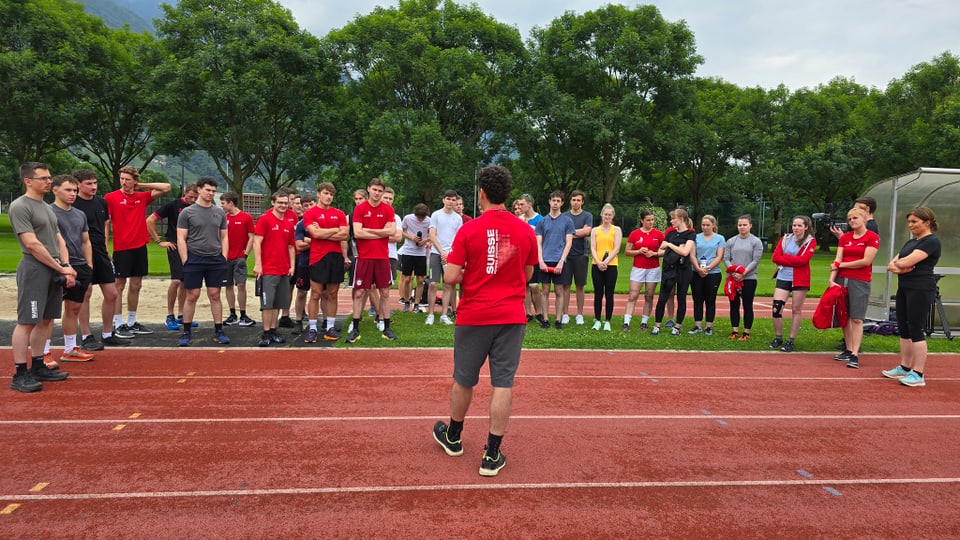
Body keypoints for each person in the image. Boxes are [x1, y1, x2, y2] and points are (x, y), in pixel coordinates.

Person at [431, 165, 537, 477]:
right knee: (502, 384)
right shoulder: (525, 231)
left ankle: (453, 436)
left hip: (475, 315)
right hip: (510, 317)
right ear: (509, 196)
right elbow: (528, 274)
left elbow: (449, 277)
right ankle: (491, 454)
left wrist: (474, 272)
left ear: (481, 194)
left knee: (464, 378)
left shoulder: (469, 229)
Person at [9, 162, 73, 392]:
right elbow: (31, 244)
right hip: (35, 269)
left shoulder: (46, 207)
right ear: (28, 181)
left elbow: (59, 239)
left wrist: (65, 265)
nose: (49, 181)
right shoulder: (20, 207)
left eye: (49, 177)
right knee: (27, 321)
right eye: (43, 178)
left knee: (46, 319)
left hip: (53, 268)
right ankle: (19, 373)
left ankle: (38, 365)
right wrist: (60, 268)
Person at [104, 165, 170, 336]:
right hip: (122, 247)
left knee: (137, 285)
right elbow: (106, 223)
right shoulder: (111, 197)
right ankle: (118, 324)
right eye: (122, 179)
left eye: (127, 179)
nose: (124, 182)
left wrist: (141, 187)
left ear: (134, 181)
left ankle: (132, 322)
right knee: (119, 285)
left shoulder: (141, 197)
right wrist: (105, 246)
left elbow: (166, 187)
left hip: (140, 246)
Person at [883, 207, 941, 387]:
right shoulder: (911, 243)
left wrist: (900, 264)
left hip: (921, 290)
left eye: (914, 222)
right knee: (904, 328)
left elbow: (904, 262)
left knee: (916, 328)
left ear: (927, 222)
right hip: (905, 288)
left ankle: (918, 373)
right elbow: (891, 265)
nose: (910, 225)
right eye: (909, 222)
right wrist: (900, 266)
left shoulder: (931, 242)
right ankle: (905, 367)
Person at [72, 169, 130, 349]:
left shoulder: (101, 203)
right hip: (81, 252)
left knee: (112, 293)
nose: (93, 187)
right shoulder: (74, 204)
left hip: (100, 251)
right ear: (78, 184)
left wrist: (106, 249)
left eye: (95, 183)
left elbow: (105, 226)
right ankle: (87, 336)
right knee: (85, 294)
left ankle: (107, 333)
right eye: (88, 183)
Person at [176, 177, 230, 347]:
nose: (211, 193)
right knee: (192, 295)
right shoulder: (187, 212)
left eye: (213, 191)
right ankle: (186, 331)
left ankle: (219, 330)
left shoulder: (219, 212)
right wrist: (186, 260)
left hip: (215, 259)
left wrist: (224, 256)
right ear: (199, 190)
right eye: (208, 190)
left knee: (215, 295)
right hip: (194, 258)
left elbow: (224, 236)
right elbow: (181, 238)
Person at [50, 175, 96, 363]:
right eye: (68, 190)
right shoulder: (48, 212)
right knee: (49, 313)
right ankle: (43, 353)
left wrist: (89, 265)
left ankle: (70, 349)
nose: (73, 194)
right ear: (55, 190)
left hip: (79, 266)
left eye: (75, 190)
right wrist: (61, 266)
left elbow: (85, 241)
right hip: (56, 266)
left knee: (74, 308)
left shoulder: (79, 214)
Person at [346, 178, 398, 342]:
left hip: (382, 257)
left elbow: (391, 231)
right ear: (368, 189)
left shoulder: (388, 210)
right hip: (364, 258)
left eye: (380, 191)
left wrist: (370, 231)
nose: (377, 193)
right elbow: (358, 233)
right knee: (360, 292)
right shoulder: (360, 209)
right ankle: (355, 328)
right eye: (374, 189)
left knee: (384, 292)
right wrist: (380, 231)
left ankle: (386, 327)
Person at [830, 208, 880, 369]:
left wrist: (842, 265)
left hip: (860, 280)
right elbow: (837, 259)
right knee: (844, 316)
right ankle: (848, 348)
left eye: (855, 218)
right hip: (841, 279)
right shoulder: (845, 238)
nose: (852, 221)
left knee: (857, 318)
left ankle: (855, 354)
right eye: (850, 218)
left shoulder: (872, 237)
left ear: (865, 219)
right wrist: (832, 279)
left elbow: (866, 261)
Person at [147, 183, 199, 331]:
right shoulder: (173, 205)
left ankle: (181, 315)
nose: (193, 200)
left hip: (192, 247)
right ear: (184, 193)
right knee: (176, 280)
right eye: (190, 197)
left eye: (195, 197)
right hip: (175, 245)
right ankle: (169, 315)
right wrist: (159, 241)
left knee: (185, 282)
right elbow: (150, 220)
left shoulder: (197, 207)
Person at [303, 182, 349, 342]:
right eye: (326, 193)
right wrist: (334, 230)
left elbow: (344, 235)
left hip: (335, 257)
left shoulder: (339, 214)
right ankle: (313, 328)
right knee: (315, 294)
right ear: (318, 194)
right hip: (317, 257)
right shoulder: (311, 213)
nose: (329, 197)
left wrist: (323, 232)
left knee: (332, 294)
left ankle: (330, 327)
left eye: (331, 194)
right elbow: (314, 234)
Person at [253, 192, 296, 346]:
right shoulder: (265, 219)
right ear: (273, 202)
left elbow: (291, 246)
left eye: (285, 203)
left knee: (278, 303)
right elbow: (257, 242)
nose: (283, 205)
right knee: (267, 303)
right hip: (268, 269)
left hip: (283, 269)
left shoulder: (289, 224)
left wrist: (292, 265)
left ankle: (273, 331)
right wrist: (258, 264)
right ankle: (265, 333)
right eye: (280, 202)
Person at [769, 216, 816, 352]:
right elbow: (775, 258)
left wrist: (785, 259)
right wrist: (792, 260)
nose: (796, 228)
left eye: (800, 225)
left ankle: (791, 340)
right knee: (776, 309)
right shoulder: (786, 239)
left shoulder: (810, 241)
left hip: (800, 278)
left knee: (796, 309)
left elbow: (803, 260)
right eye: (794, 225)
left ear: (806, 227)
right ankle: (778, 337)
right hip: (783, 276)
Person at [651, 208, 696, 335]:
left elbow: (685, 252)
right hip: (669, 268)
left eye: (673, 218)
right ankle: (657, 326)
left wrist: (670, 246)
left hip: (683, 269)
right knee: (662, 297)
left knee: (681, 297)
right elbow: (662, 249)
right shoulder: (670, 234)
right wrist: (677, 247)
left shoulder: (690, 234)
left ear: (681, 219)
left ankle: (677, 327)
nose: (671, 221)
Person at [536, 191, 575, 329]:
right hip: (545, 260)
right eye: (553, 200)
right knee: (545, 290)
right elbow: (538, 242)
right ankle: (545, 319)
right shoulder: (542, 221)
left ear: (562, 203)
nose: (555, 203)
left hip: (559, 260)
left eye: (558, 201)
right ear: (549, 201)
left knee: (559, 290)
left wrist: (561, 261)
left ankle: (558, 320)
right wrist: (540, 260)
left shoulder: (567, 221)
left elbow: (568, 242)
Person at [426, 190, 463, 326]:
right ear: (443, 200)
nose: (451, 202)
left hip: (451, 254)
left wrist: (448, 253)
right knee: (433, 284)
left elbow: (458, 238)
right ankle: (430, 314)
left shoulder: (457, 218)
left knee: (448, 285)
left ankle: (444, 315)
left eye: (453, 200)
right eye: (448, 199)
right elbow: (432, 234)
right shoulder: (436, 215)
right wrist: (442, 251)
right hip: (437, 252)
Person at [622, 210, 664, 332]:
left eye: (652, 219)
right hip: (638, 268)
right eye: (648, 220)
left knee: (649, 296)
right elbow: (627, 251)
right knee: (633, 295)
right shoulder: (634, 234)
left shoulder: (659, 234)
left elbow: (665, 251)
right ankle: (626, 322)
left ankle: (644, 322)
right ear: (642, 221)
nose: (651, 222)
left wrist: (654, 254)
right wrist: (639, 251)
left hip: (653, 268)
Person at [219, 192, 256, 329]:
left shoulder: (246, 217)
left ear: (231, 203)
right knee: (228, 285)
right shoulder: (223, 218)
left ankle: (243, 314)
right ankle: (232, 313)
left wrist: (245, 254)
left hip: (239, 257)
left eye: (223, 203)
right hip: (226, 257)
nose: (222, 206)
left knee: (241, 285)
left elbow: (251, 236)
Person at [724, 215, 763, 341]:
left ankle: (746, 332)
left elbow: (755, 260)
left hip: (749, 278)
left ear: (750, 225)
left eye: (744, 225)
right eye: (740, 225)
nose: (742, 227)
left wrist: (744, 273)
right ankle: (734, 330)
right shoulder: (731, 241)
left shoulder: (756, 241)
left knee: (747, 305)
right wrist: (734, 271)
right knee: (734, 304)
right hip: (733, 278)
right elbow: (726, 258)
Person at [688, 215, 726, 335]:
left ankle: (709, 326)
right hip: (696, 272)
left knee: (710, 300)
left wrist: (708, 268)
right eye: (703, 225)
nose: (705, 227)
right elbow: (692, 255)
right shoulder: (695, 237)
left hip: (713, 273)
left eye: (708, 225)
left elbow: (719, 256)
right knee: (697, 299)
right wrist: (698, 268)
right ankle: (697, 325)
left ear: (713, 225)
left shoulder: (720, 238)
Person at [588, 204, 622, 331]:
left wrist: (606, 262)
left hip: (611, 265)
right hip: (596, 264)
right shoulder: (594, 230)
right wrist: (598, 261)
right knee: (598, 293)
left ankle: (607, 320)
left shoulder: (616, 230)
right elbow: (593, 247)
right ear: (601, 215)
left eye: (610, 214)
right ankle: (597, 319)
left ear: (613, 216)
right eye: (605, 214)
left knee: (609, 293)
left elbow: (617, 248)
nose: (607, 216)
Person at [562, 190, 593, 325]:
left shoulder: (587, 216)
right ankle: (565, 314)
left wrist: (570, 233)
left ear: (582, 202)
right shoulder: (564, 216)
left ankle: (579, 314)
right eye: (574, 200)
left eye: (578, 200)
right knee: (566, 286)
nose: (576, 202)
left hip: (581, 254)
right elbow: (561, 232)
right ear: (570, 201)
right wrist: (577, 232)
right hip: (566, 255)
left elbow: (587, 231)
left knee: (580, 286)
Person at [397, 203, 432, 313]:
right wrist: (411, 237)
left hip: (421, 253)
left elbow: (432, 234)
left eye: (423, 217)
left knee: (420, 280)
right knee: (407, 279)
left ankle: (417, 303)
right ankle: (407, 302)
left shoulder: (429, 220)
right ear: (415, 214)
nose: (421, 219)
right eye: (419, 217)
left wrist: (425, 241)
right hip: (408, 251)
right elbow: (402, 231)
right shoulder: (408, 218)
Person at [291, 193, 317, 334]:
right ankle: (298, 321)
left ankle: (325, 322)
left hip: (320, 262)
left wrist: (308, 241)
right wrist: (316, 241)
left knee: (321, 293)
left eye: (310, 204)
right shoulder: (300, 224)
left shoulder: (322, 220)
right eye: (305, 205)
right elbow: (299, 245)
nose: (308, 207)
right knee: (301, 293)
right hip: (304, 263)